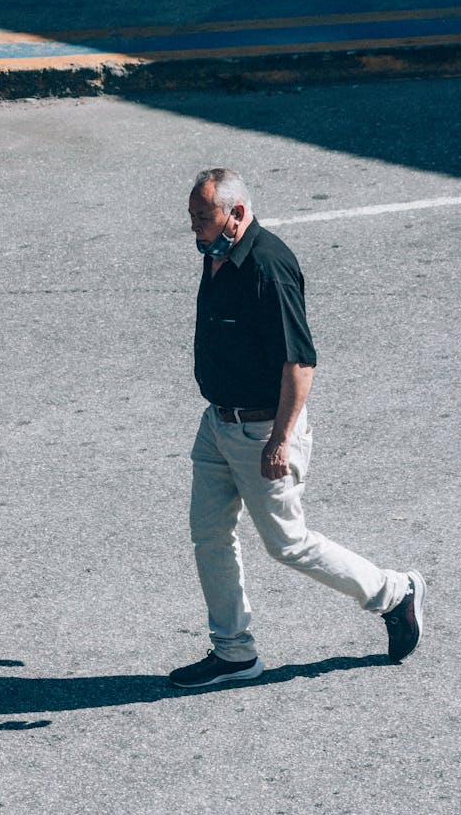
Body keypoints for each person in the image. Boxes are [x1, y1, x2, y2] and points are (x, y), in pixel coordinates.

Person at [169, 168, 426, 690]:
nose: (193, 226)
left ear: (236, 213)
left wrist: (280, 440)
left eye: (203, 216)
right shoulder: (217, 254)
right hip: (218, 422)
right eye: (192, 216)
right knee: (209, 533)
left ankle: (394, 593)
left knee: (288, 543)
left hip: (262, 429)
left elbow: (299, 363)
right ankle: (235, 653)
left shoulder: (268, 266)